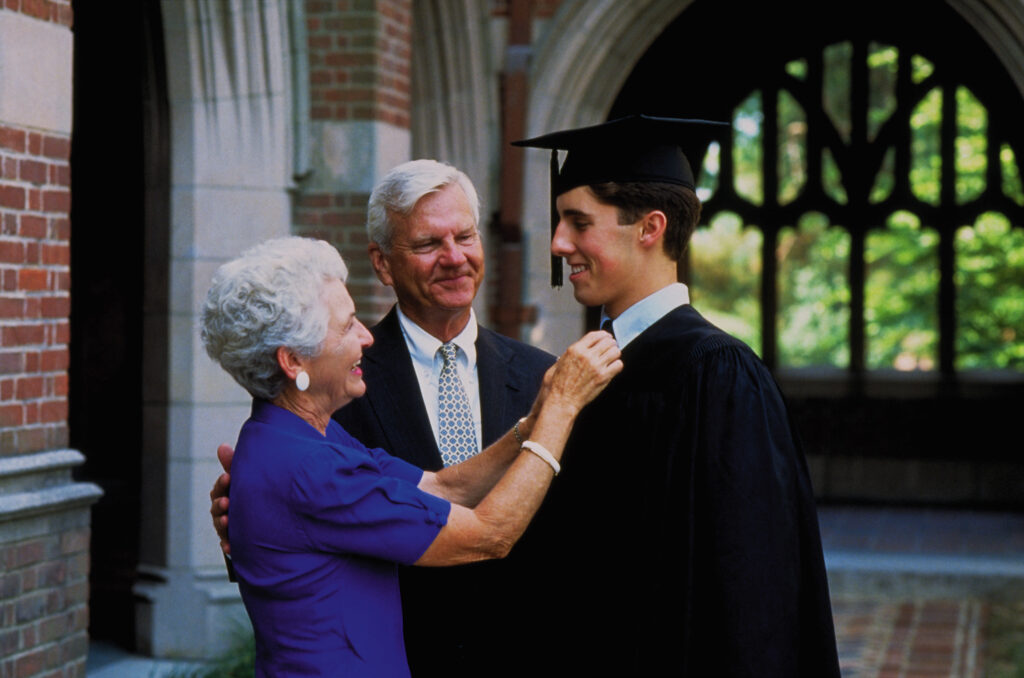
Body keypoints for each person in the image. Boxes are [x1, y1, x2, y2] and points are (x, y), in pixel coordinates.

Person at [509, 114, 842, 676]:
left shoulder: (719, 374)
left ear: (649, 228)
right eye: (560, 221)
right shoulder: (591, 368)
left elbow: (751, 590)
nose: (560, 241)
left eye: (578, 221)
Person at [200, 235, 620, 677]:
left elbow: (443, 487)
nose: (366, 336)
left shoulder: (303, 436)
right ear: (293, 362)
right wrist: (563, 408)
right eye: (346, 327)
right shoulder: (309, 466)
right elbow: (489, 535)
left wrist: (533, 421)